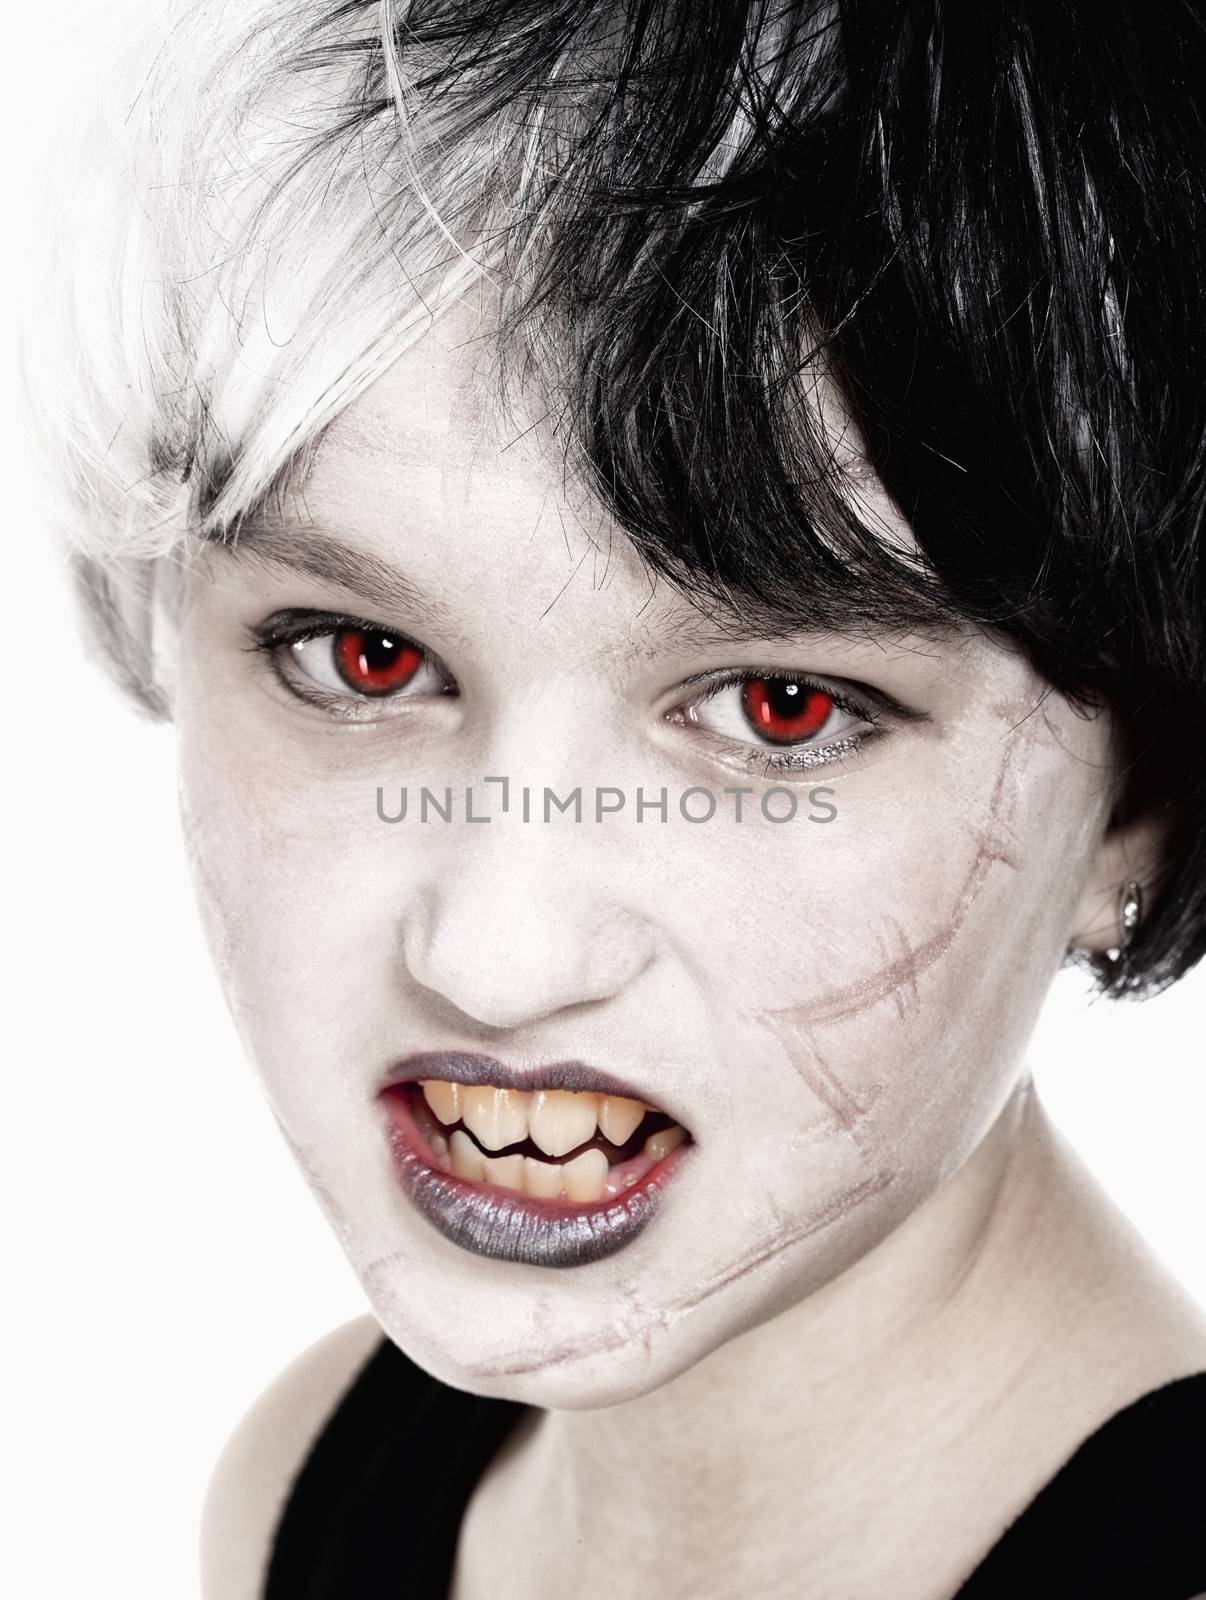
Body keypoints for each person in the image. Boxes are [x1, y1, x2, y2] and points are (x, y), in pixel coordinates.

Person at [27, 1, 1206, 1595]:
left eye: (777, 710)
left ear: (1141, 798)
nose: (494, 956)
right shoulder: (315, 1475)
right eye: (364, 656)